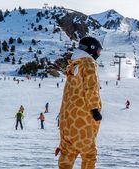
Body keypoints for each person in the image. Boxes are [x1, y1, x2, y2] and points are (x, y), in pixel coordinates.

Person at [56, 36, 103, 169]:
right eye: (99, 51)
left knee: (67, 154)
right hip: (81, 119)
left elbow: (68, 94)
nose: (99, 54)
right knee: (89, 154)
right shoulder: (89, 63)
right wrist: (94, 109)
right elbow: (91, 87)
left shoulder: (73, 66)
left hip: (66, 121)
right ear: (92, 49)